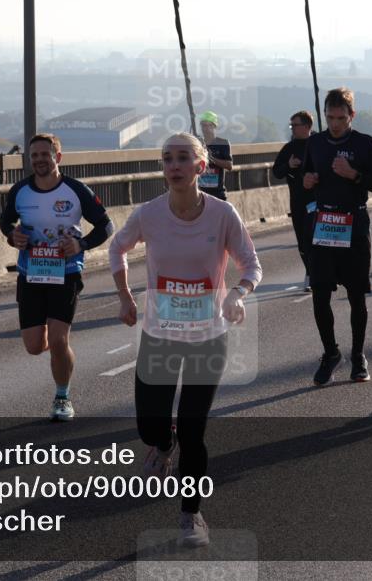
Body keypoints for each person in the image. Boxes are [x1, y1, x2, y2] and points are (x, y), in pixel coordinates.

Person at [110, 132, 262, 548]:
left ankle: (191, 514)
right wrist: (125, 297)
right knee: (149, 425)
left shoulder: (223, 215)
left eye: (182, 159)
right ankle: (162, 443)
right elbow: (116, 248)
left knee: (195, 429)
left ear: (201, 167)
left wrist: (236, 293)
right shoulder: (149, 214)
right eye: (167, 159)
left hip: (207, 337)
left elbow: (251, 264)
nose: (173, 166)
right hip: (160, 335)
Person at [0, 134, 114, 421]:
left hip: (66, 272)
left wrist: (81, 244)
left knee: (60, 342)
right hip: (31, 274)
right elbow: (5, 222)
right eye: (34, 155)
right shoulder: (20, 191)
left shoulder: (76, 191)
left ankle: (62, 397)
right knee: (34, 346)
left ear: (58, 158)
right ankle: (52, 342)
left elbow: (105, 225)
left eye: (45, 154)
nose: (39, 160)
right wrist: (12, 236)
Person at [303, 88, 372, 385]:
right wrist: (307, 179)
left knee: (356, 295)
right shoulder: (315, 142)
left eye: (341, 118)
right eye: (329, 117)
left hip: (354, 222)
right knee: (319, 294)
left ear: (352, 115)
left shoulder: (365, 144)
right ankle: (330, 353)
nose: (335, 124)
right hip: (324, 222)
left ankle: (358, 356)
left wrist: (353, 174)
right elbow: (305, 176)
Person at [272, 110, 316, 290]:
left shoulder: (319, 143)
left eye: (295, 125)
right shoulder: (289, 148)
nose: (292, 129)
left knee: (313, 238)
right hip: (297, 201)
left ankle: (317, 273)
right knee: (302, 242)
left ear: (306, 126)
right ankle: (310, 271)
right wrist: (288, 165)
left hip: (317, 201)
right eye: (291, 125)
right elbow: (276, 172)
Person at [197, 110, 233, 201]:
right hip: (200, 193)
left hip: (218, 193)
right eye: (203, 125)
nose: (204, 128)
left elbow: (229, 166)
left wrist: (211, 159)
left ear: (214, 126)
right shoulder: (198, 143)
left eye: (207, 125)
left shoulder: (223, 143)